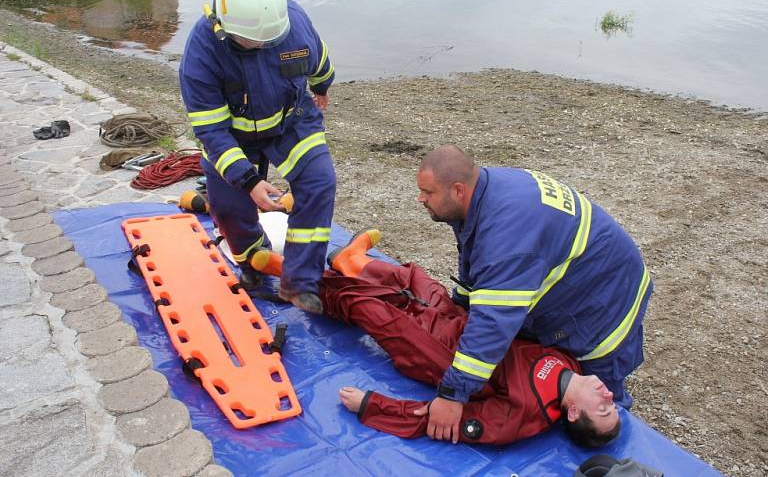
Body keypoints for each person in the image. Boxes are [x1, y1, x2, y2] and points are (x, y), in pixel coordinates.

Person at [253, 230, 621, 446]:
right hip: (463, 326)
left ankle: (293, 278)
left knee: (373, 309)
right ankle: (352, 261)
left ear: (573, 413)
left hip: (441, 357)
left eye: (603, 407)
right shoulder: (571, 362)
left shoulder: (527, 414)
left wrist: (372, 406)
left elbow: (447, 422)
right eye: (612, 402)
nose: (608, 394)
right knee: (415, 280)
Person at [415, 145, 652, 442]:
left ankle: (623, 457)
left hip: (608, 304)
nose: (421, 199)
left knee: (600, 409)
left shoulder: (506, 235)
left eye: (428, 192)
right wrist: (460, 304)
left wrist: (452, 395)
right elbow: (476, 259)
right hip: (590, 275)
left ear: (458, 190)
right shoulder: (486, 193)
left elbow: (494, 320)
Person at [179, 0, 336, 314]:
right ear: (223, 28)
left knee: (319, 182)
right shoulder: (202, 52)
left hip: (290, 121)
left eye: (270, 39)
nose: (263, 44)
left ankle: (300, 282)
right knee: (229, 207)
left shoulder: (292, 22)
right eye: (253, 41)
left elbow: (319, 59)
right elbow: (211, 131)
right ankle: (253, 260)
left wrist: (322, 87)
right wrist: (249, 180)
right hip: (234, 137)